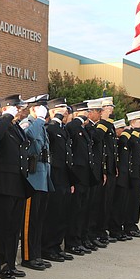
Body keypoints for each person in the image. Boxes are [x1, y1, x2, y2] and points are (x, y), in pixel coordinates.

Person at [0, 94, 30, 279]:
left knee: (14, 228)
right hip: (3, 184)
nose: (20, 110)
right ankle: (0, 263)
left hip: (17, 183)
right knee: (1, 226)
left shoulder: (15, 127)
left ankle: (10, 263)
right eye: (16, 107)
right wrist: (5, 115)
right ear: (7, 108)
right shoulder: (1, 124)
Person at [19, 99, 51, 271]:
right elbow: (29, 141)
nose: (44, 111)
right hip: (32, 178)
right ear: (33, 108)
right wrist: (39, 119)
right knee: (29, 221)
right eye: (41, 107)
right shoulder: (29, 123)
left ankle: (36, 254)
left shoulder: (41, 125)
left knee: (39, 220)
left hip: (42, 177)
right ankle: (27, 256)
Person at [41, 99, 73, 262]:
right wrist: (55, 119)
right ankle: (47, 248)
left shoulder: (63, 129)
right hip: (54, 175)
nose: (65, 112)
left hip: (64, 176)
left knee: (62, 213)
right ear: (52, 111)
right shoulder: (51, 127)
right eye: (61, 109)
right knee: (53, 213)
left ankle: (56, 246)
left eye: (66, 109)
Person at [64, 102, 93, 255]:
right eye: (84, 112)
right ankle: (72, 242)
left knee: (82, 209)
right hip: (76, 174)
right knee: (75, 210)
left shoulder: (83, 129)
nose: (87, 115)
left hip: (85, 175)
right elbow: (71, 129)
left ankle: (79, 238)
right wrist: (79, 119)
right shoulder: (73, 127)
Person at [83, 99, 107, 249]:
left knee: (93, 206)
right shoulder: (89, 127)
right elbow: (97, 138)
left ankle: (89, 235)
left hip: (95, 170)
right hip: (88, 171)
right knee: (87, 207)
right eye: (98, 111)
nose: (100, 114)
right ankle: (85, 236)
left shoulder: (93, 127)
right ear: (90, 113)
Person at [96, 98, 118, 245]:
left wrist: (113, 165)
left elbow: (112, 149)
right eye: (108, 107)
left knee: (108, 201)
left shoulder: (110, 125)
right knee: (101, 202)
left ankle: (104, 229)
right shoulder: (101, 125)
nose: (111, 109)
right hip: (102, 169)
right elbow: (100, 145)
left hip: (110, 168)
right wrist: (104, 168)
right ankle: (99, 231)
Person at [123, 111, 140, 237]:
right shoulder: (130, 134)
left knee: (136, 200)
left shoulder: (138, 135)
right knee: (131, 200)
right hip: (132, 172)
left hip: (138, 172)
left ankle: (133, 223)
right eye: (139, 120)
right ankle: (128, 225)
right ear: (132, 121)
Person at [109, 119, 131, 241]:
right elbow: (123, 141)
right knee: (116, 205)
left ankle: (119, 227)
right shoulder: (119, 141)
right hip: (118, 178)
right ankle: (114, 229)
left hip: (124, 177)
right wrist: (127, 132)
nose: (124, 132)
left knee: (122, 204)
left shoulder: (122, 141)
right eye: (121, 129)